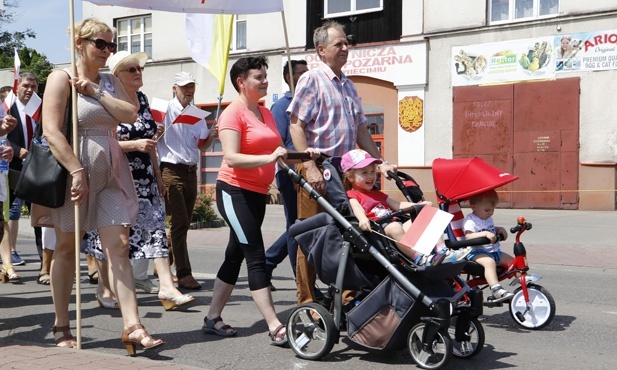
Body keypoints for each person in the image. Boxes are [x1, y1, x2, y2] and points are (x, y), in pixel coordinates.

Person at [43, 18, 164, 353]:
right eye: (101, 44)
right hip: (75, 169)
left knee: (119, 245)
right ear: (80, 43)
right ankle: (61, 323)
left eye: (111, 45)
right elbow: (51, 131)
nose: (108, 51)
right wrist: (76, 169)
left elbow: (130, 114)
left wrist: (95, 90)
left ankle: (133, 326)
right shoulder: (60, 78)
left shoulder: (109, 80)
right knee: (67, 248)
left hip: (111, 168)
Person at [202, 56, 317, 345]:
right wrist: (269, 158)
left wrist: (307, 156)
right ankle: (276, 325)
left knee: (234, 254)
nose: (265, 80)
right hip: (233, 191)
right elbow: (231, 157)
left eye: (265, 75)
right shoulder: (233, 114)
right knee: (255, 255)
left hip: (256, 193)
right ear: (241, 82)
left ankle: (212, 317)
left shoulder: (264, 113)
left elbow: (280, 150)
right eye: (259, 76)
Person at [288, 20, 396, 305]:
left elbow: (362, 129)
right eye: (339, 44)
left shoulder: (348, 84)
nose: (346, 48)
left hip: (347, 169)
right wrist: (309, 166)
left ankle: (348, 296)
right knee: (312, 235)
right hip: (319, 166)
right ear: (322, 50)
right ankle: (307, 301)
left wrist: (381, 162)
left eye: (347, 43)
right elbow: (296, 125)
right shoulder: (311, 79)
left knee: (349, 232)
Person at [83, 50, 194, 310]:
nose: (137, 73)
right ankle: (105, 287)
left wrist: (157, 175)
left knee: (155, 228)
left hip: (144, 175)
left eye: (139, 69)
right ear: (116, 75)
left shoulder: (142, 99)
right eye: (131, 69)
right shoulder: (105, 100)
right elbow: (101, 143)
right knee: (107, 234)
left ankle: (166, 287)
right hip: (114, 174)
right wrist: (134, 144)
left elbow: (151, 144)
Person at [343, 149, 470, 265]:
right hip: (379, 231)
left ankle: (443, 251)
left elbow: (398, 205)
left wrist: (418, 206)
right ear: (350, 176)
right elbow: (356, 208)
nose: (370, 176)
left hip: (397, 225)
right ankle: (420, 258)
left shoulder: (377, 193)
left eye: (372, 171)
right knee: (394, 227)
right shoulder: (352, 194)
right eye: (364, 173)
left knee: (429, 214)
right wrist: (362, 219)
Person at [157, 71, 214, 290]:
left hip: (191, 170)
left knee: (184, 223)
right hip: (170, 169)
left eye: (191, 86)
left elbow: (202, 145)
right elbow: (153, 138)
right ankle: (184, 274)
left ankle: (164, 261)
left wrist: (211, 136)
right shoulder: (163, 109)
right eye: (184, 87)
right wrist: (157, 132)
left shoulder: (196, 114)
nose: (188, 90)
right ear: (174, 88)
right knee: (179, 222)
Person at [264, 59, 308, 290]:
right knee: (297, 226)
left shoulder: (308, 102)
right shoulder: (282, 107)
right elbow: (278, 145)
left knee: (299, 226)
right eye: (301, 73)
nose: (305, 75)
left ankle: (267, 262)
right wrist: (295, 168)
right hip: (290, 173)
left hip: (310, 172)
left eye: (307, 71)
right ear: (289, 78)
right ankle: (301, 280)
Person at [2, 72, 43, 269]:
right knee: (6, 214)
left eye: (33, 87)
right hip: (10, 167)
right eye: (26, 85)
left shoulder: (40, 108)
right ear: (17, 87)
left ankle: (46, 263)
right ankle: (7, 256)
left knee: (38, 215)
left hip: (35, 168)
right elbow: (2, 135)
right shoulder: (7, 108)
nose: (29, 90)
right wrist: (18, 151)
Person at [463, 189, 515, 302]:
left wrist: (499, 229)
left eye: (493, 209)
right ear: (473, 206)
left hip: (493, 251)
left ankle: (523, 282)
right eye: (487, 210)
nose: (490, 212)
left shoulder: (487, 218)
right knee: (489, 263)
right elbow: (468, 236)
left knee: (512, 261)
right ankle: (496, 290)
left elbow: (489, 229)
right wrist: (485, 234)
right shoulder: (471, 221)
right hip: (476, 252)